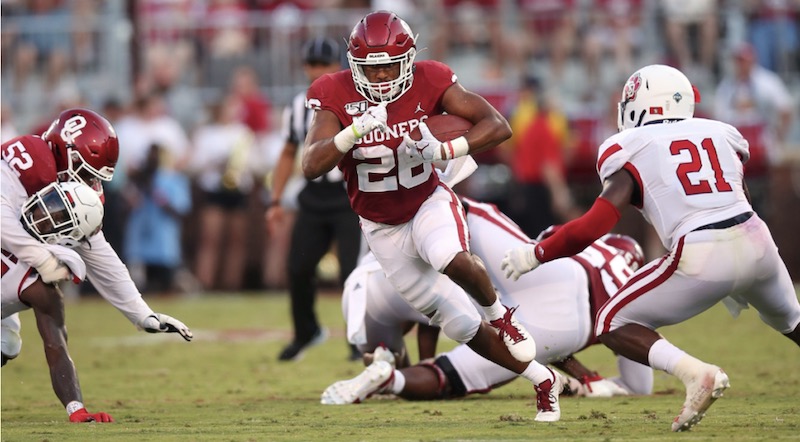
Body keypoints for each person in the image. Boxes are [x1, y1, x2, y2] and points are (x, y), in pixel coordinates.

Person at [500, 64, 800, 432]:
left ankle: (696, 373)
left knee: (612, 322)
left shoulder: (635, 145)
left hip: (701, 249)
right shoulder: (720, 133)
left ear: (644, 104)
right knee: (793, 321)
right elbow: (742, 199)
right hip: (758, 242)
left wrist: (536, 254)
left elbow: (594, 225)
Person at [301, 10, 560, 421]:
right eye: (371, 67)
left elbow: (497, 125)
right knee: (460, 326)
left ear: (407, 60)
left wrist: (443, 150)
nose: (381, 75)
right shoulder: (333, 91)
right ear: (354, 65)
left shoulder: (430, 78)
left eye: (389, 65)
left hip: (426, 201)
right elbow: (311, 165)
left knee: (448, 256)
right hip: (381, 229)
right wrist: (353, 132)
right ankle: (543, 379)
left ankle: (502, 317)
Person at [321, 198, 654, 404]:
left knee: (471, 221)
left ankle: (438, 202)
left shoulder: (594, 249)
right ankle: (393, 380)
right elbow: (639, 384)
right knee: (450, 375)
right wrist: (587, 380)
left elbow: (548, 242)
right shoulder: (631, 290)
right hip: (570, 326)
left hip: (557, 271)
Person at [1, 108, 193, 368]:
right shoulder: (31, 163)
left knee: (7, 344)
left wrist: (141, 313)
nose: (90, 184)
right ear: (67, 154)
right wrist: (42, 259)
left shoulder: (62, 183)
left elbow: (99, 253)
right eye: (87, 173)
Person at [268, 36, 364, 362]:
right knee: (298, 266)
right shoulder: (298, 105)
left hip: (350, 193)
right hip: (313, 195)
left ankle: (358, 339)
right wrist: (275, 200)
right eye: (313, 64)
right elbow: (288, 152)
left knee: (352, 271)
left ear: (339, 65)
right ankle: (306, 332)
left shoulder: (356, 101)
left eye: (324, 64)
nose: (318, 70)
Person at [2, 181, 112, 422]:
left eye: (60, 216)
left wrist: (77, 409)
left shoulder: (37, 286)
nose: (45, 212)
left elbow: (57, 349)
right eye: (51, 202)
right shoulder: (8, 208)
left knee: (7, 344)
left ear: (70, 237)